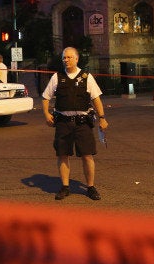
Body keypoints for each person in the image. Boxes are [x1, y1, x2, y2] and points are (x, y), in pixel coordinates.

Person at [41, 47, 108, 200]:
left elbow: (96, 99)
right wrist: (46, 114)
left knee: (87, 156)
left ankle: (90, 187)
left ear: (76, 59)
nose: (66, 60)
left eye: (69, 57)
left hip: (82, 123)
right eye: (64, 57)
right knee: (63, 155)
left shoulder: (86, 77)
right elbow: (46, 97)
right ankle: (65, 187)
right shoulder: (57, 77)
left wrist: (102, 118)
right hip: (63, 122)